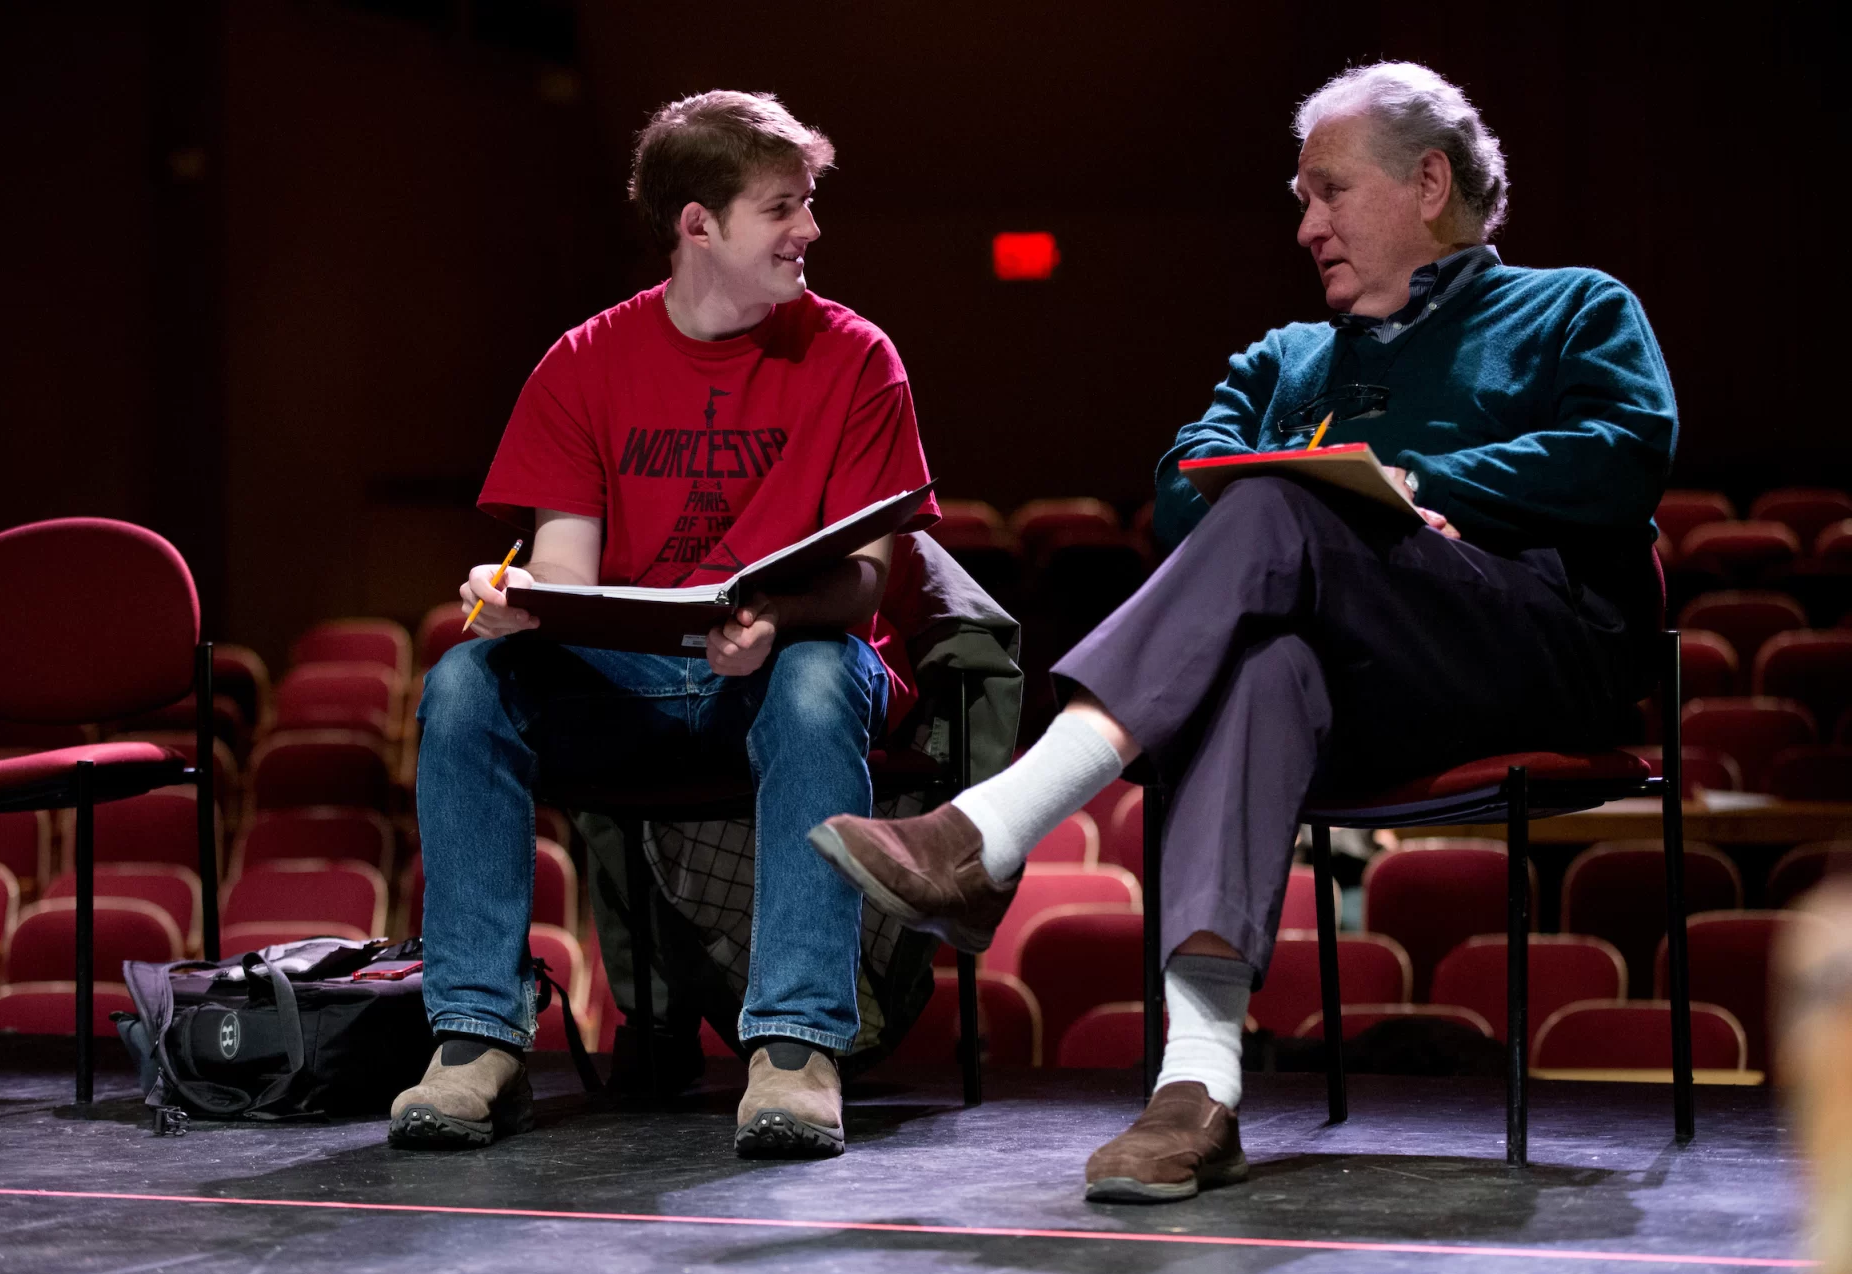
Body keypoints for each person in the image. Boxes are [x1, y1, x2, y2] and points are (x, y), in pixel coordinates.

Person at [809, 61, 1677, 1201]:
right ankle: (1198, 1088)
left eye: (1327, 191)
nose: (1305, 223)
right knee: (1262, 658)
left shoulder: (1573, 306)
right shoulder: (1285, 360)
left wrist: (1411, 480)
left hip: (1526, 647)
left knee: (1276, 502)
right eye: (1298, 197)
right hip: (1357, 691)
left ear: (1428, 182)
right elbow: (1180, 494)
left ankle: (993, 828)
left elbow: (1626, 450)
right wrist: (1327, 493)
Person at [390, 90, 938, 1158]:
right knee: (463, 681)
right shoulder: (583, 362)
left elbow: (864, 582)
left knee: (821, 673)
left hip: (785, 669)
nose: (810, 230)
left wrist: (774, 616)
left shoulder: (856, 357)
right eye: (783, 207)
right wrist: (518, 607)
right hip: (635, 679)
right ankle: (475, 1038)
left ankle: (792, 1046)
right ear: (698, 225)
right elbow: (565, 569)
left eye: (808, 202)